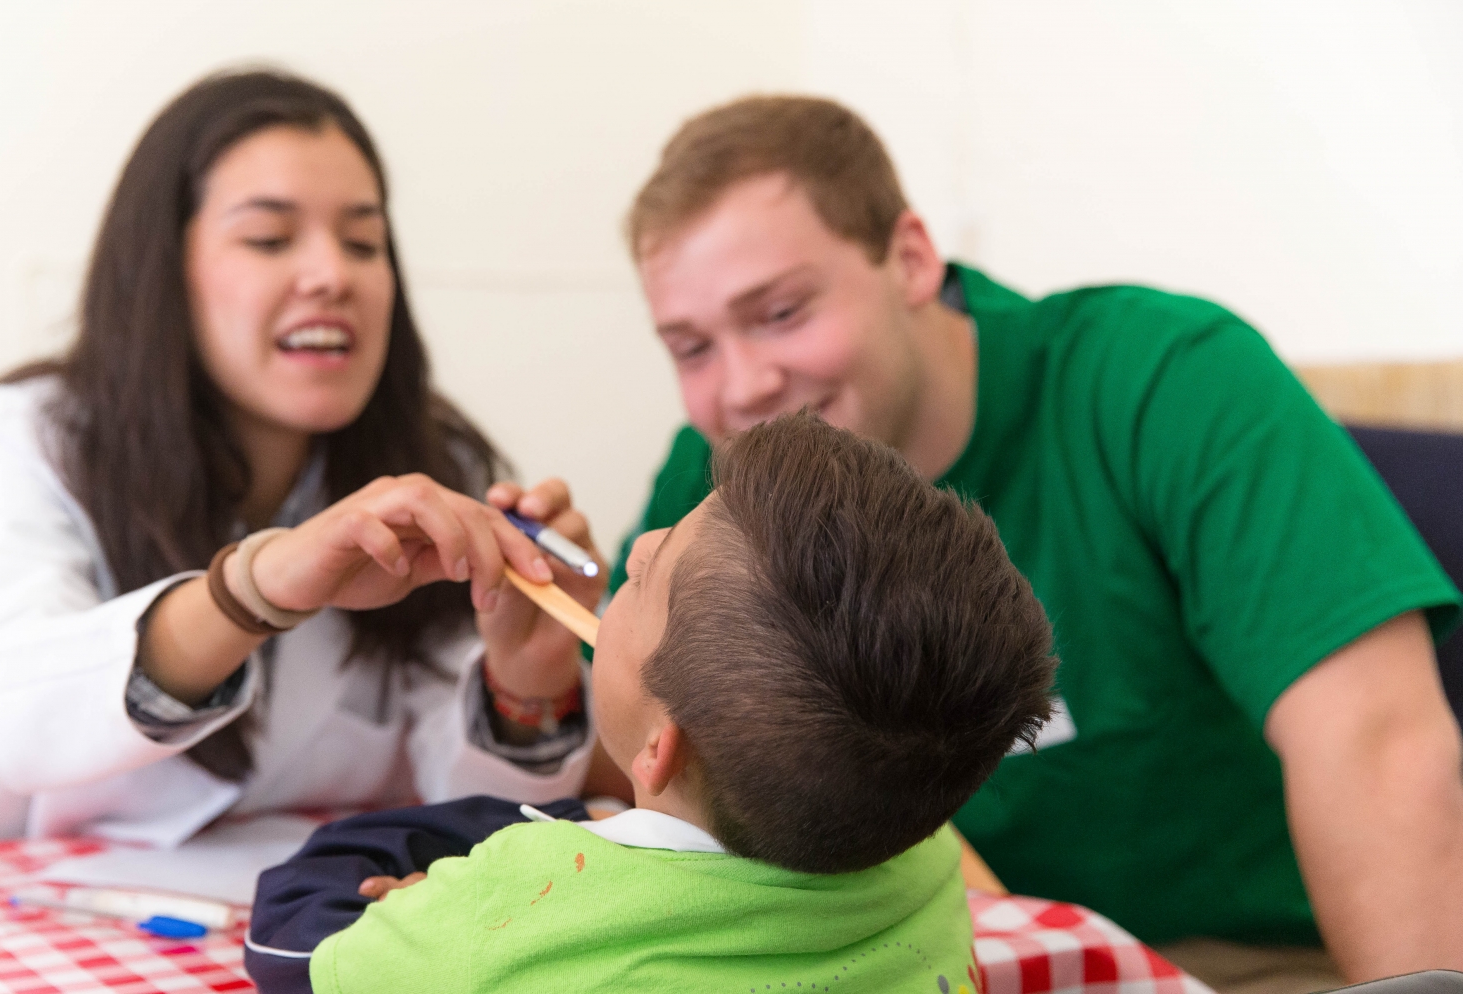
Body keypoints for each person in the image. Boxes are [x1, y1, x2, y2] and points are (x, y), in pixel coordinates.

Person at [612, 95, 1463, 991]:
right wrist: (528, 680)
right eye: (690, 347)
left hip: (1242, 965)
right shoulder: (716, 474)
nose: (744, 384)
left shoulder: (1164, 381)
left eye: (781, 313)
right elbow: (641, 744)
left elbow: (1380, 748)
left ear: (909, 259)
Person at [0, 70, 601, 848]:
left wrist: (526, 678)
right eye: (270, 239)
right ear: (164, 273)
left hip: (323, 924)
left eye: (364, 242)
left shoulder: (437, 470)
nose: (333, 275)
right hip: (61, 903)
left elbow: (472, 818)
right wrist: (256, 588)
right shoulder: (30, 438)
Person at [246, 412, 1058, 994]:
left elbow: (289, 940)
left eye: (646, 574)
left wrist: (467, 885)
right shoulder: (920, 855)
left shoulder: (514, 923)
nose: (631, 547)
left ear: (661, 747)